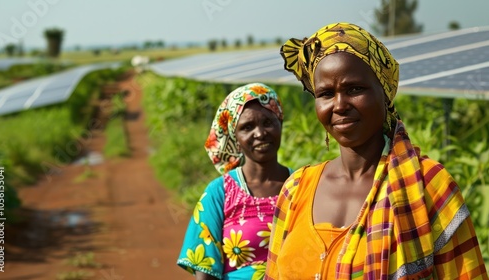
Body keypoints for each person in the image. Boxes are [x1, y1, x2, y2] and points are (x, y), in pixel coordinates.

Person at [265, 22, 488, 279]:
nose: (339, 105)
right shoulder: (296, 189)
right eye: (326, 93)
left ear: (384, 93)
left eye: (355, 89)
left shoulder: (428, 186)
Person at [177, 83, 294, 279]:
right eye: (247, 127)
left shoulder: (302, 185)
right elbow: (205, 269)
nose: (260, 133)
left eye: (268, 122)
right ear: (235, 136)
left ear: (280, 123)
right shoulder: (219, 192)